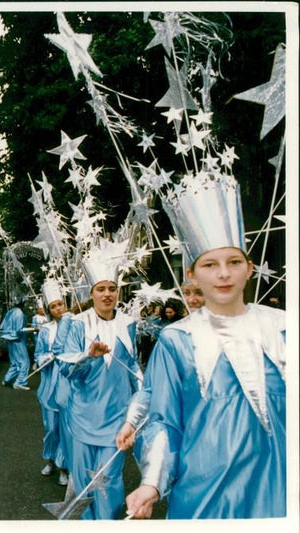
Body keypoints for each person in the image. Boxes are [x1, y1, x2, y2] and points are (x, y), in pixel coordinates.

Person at [125, 178, 285, 519]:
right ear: (193, 275)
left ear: (250, 269)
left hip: (279, 494)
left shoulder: (285, 328)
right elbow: (164, 421)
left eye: (234, 262)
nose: (224, 274)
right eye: (210, 265)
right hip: (206, 497)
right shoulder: (176, 340)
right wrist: (151, 483)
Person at [59, 261, 141, 520]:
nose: (107, 294)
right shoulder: (77, 323)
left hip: (117, 416)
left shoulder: (129, 323)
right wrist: (88, 355)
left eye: (112, 288)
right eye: (101, 289)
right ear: (91, 293)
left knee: (108, 479)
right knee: (84, 480)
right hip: (83, 415)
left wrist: (138, 411)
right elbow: (67, 370)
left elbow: (132, 367)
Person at [34, 281, 71, 487]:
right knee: (51, 426)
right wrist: (44, 359)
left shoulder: (75, 325)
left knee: (66, 426)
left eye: (60, 304)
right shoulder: (45, 330)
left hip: (68, 381)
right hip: (49, 382)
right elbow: (38, 353)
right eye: (53, 306)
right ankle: (50, 458)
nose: (58, 309)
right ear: (49, 310)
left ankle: (63, 466)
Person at [0, 300, 31, 390]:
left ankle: (7, 379)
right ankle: (20, 382)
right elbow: (19, 330)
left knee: (14, 362)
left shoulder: (10, 311)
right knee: (25, 362)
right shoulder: (19, 313)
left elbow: (2, 326)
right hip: (18, 340)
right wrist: (32, 329)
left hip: (10, 340)